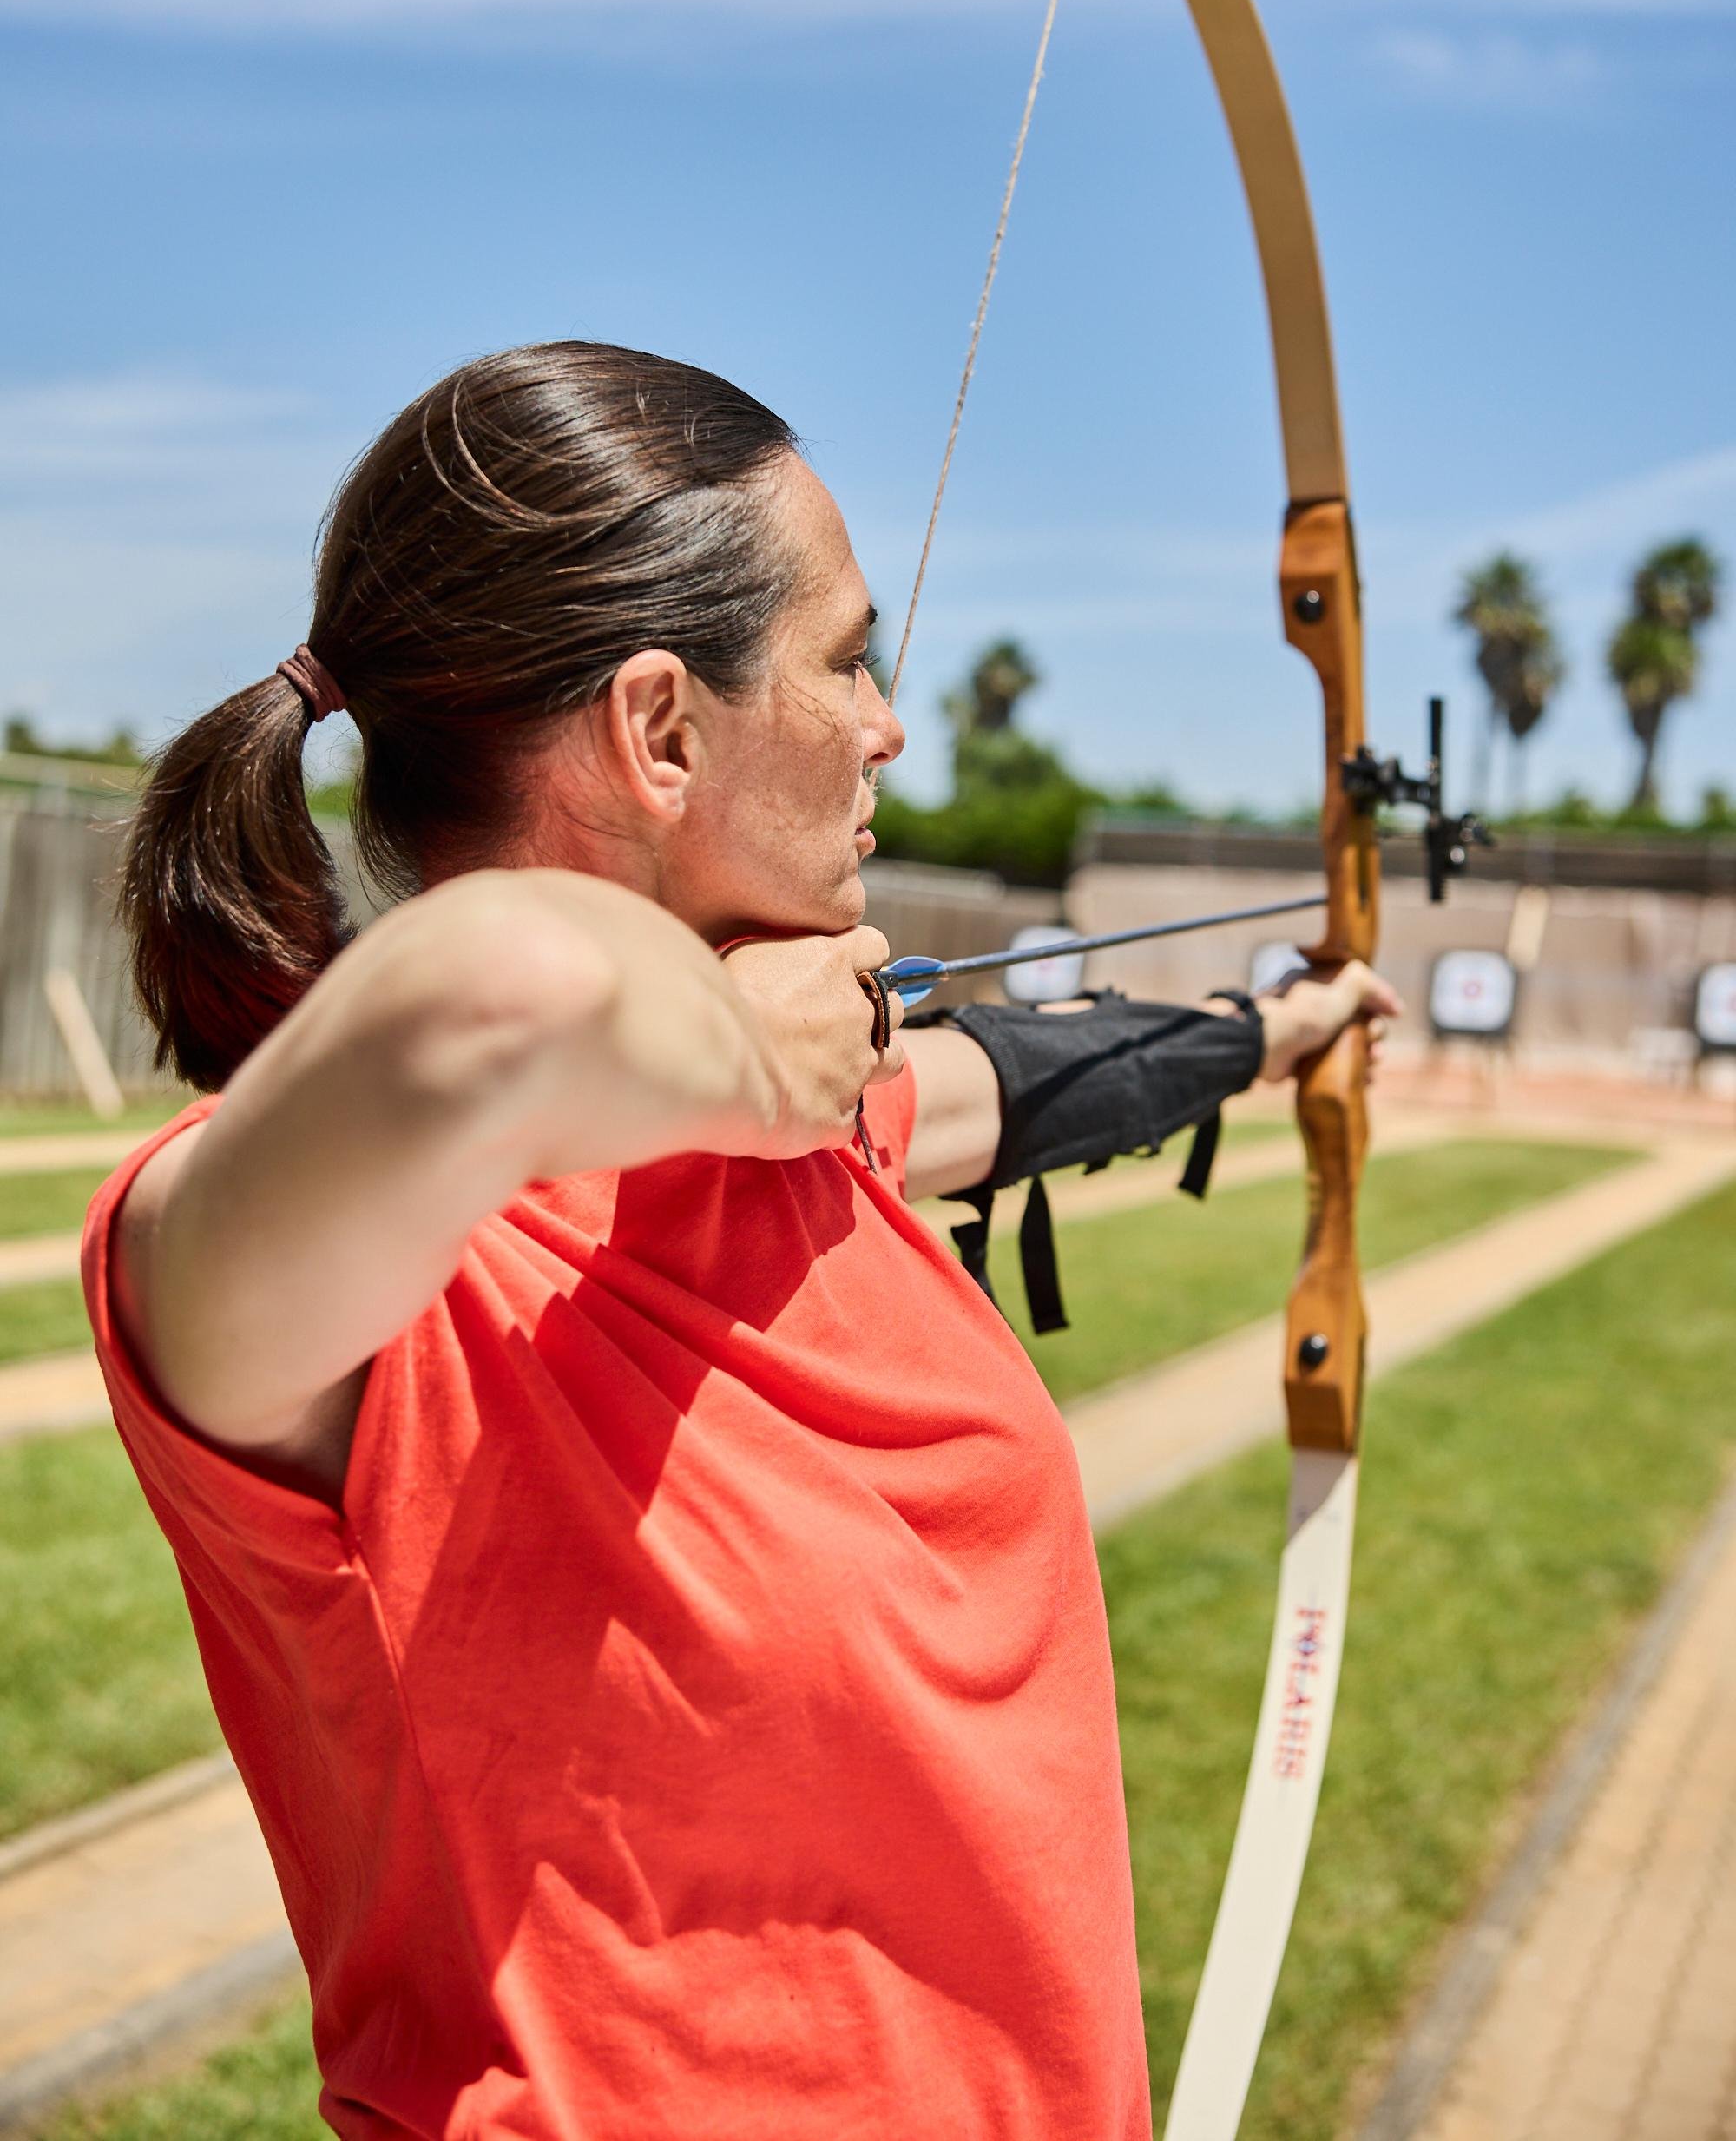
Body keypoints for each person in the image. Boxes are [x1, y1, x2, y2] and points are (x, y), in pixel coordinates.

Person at [90, 341, 1398, 2141]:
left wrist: (1279, 1031)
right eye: (849, 657)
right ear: (661, 731)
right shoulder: (296, 1271)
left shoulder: (795, 1145)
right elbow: (490, 993)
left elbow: (1012, 1085)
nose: (888, 726)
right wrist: (748, 1057)